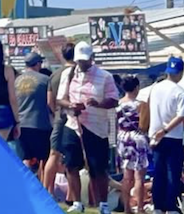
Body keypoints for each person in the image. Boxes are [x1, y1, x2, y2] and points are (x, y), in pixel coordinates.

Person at [57, 41, 120, 214]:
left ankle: (103, 204)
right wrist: (71, 105)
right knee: (71, 164)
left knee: (97, 167)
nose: (82, 64)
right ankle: (77, 202)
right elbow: (60, 99)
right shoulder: (68, 74)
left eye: (85, 60)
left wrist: (98, 103)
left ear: (92, 58)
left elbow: (114, 100)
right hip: (73, 124)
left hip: (96, 127)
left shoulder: (105, 76)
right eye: (79, 61)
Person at [148, 57, 184, 214]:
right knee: (173, 173)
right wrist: (165, 130)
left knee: (158, 173)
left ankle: (158, 206)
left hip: (156, 137)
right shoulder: (181, 92)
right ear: (180, 72)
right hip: (173, 137)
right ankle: (171, 206)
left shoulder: (155, 88)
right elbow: (181, 116)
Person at [44, 41, 76, 197]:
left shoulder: (54, 75)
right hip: (76, 118)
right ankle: (72, 195)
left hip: (59, 116)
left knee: (54, 154)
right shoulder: (79, 72)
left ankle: (46, 190)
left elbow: (50, 100)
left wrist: (56, 112)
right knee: (75, 157)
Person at [15, 51, 53, 177]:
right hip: (40, 125)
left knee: (25, 158)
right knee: (44, 158)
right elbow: (50, 102)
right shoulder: (46, 80)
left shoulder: (16, 81)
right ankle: (42, 188)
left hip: (21, 125)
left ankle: (25, 185)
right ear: (38, 64)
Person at [116, 75, 149, 214]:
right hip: (137, 140)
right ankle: (140, 208)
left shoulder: (118, 104)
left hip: (122, 139)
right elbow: (143, 126)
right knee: (139, 177)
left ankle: (126, 208)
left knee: (126, 176)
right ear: (136, 87)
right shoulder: (141, 104)